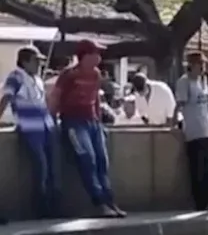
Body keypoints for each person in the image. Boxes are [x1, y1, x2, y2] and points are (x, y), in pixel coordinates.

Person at [51, 40, 124, 218]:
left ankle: (109, 200)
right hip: (74, 122)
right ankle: (98, 202)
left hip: (93, 122)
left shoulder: (96, 74)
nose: (99, 57)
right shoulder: (69, 75)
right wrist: (53, 119)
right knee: (87, 159)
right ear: (85, 56)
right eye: (95, 53)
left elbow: (96, 99)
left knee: (102, 161)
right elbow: (55, 97)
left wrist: (98, 119)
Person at [1, 45, 59, 218]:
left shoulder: (37, 79)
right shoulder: (16, 77)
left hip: (46, 125)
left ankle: (51, 203)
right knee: (40, 165)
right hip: (29, 127)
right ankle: (40, 206)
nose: (39, 64)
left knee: (51, 166)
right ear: (24, 61)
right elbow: (6, 98)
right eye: (35, 61)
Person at [175, 52, 208, 211]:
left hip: (207, 129)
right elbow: (180, 104)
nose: (203, 68)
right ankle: (200, 201)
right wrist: (173, 123)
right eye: (200, 65)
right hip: (193, 131)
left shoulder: (202, 82)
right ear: (191, 66)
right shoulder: (184, 82)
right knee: (197, 168)